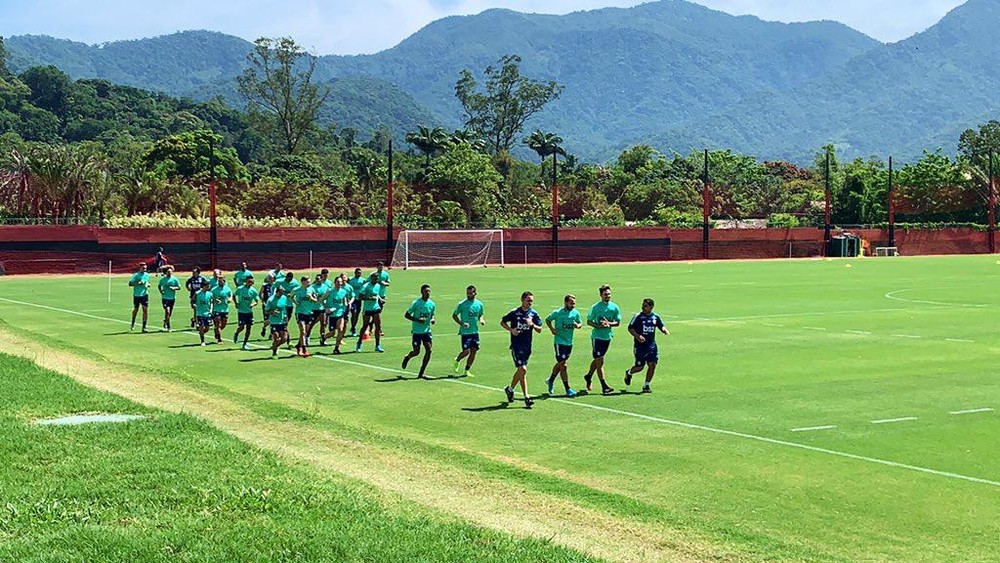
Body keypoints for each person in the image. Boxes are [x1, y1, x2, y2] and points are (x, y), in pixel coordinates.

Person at [500, 291, 543, 409]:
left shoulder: (533, 314)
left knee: (521, 371)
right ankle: (527, 397)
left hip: (527, 346)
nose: (530, 303)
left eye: (531, 301)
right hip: (516, 345)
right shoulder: (514, 312)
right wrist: (511, 330)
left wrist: (532, 325)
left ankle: (510, 389)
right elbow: (502, 321)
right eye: (528, 300)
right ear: (522, 300)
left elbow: (540, 329)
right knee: (523, 369)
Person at [625, 298, 670, 393]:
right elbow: (630, 328)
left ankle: (646, 385)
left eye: (645, 306)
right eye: (642, 305)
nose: (643, 307)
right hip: (640, 346)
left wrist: (664, 330)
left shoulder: (655, 317)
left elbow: (660, 325)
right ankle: (629, 372)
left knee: (652, 364)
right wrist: (638, 336)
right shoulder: (638, 316)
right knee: (640, 367)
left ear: (651, 307)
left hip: (651, 345)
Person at [583, 284, 621, 395]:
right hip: (597, 337)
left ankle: (588, 375)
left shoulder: (614, 307)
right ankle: (604, 386)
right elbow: (589, 321)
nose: (607, 296)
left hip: (607, 337)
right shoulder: (595, 307)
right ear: (601, 295)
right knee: (600, 362)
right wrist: (598, 326)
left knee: (599, 359)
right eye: (605, 294)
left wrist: (609, 323)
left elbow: (617, 322)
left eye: (609, 294)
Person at [545, 294, 582, 397]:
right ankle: (568, 389)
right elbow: (548, 320)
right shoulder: (558, 313)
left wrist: (577, 326)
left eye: (574, 303)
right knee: (563, 365)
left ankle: (551, 380)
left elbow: (580, 323)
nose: (573, 305)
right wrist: (552, 329)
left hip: (569, 342)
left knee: (561, 363)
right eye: (571, 303)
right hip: (559, 341)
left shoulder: (575, 313)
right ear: (566, 302)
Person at [402, 284, 436, 378]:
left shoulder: (432, 304)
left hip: (426, 331)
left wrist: (432, 319)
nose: (428, 293)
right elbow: (407, 315)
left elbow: (432, 314)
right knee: (416, 352)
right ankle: (407, 357)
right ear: (422, 292)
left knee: (429, 350)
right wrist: (417, 320)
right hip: (417, 332)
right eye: (426, 291)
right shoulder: (416, 303)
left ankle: (421, 372)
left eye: (429, 291)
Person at [451, 285, 485, 377]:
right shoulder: (462, 304)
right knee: (466, 351)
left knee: (474, 351)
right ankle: (457, 360)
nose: (469, 295)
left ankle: (467, 370)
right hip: (465, 332)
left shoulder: (479, 304)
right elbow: (454, 315)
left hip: (475, 332)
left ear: (475, 293)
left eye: (471, 293)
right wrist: (461, 324)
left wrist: (481, 319)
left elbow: (480, 314)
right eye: (467, 293)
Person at [355, 272, 384, 353]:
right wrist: (369, 298)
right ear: (371, 278)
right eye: (375, 278)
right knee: (365, 326)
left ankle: (377, 345)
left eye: (377, 278)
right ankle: (359, 342)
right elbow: (360, 296)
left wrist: (380, 299)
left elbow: (376, 294)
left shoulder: (378, 285)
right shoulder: (365, 286)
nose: (376, 279)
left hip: (376, 308)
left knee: (378, 326)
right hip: (367, 309)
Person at [321, 276, 350, 354]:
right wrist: (326, 308)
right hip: (332, 314)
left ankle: (336, 348)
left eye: (340, 282)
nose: (339, 283)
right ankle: (324, 337)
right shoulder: (330, 291)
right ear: (334, 282)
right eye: (338, 282)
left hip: (340, 314)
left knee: (340, 330)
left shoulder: (344, 291)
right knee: (332, 333)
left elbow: (344, 301)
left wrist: (346, 306)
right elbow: (321, 300)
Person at [293, 275, 319, 357]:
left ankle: (298, 345)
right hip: (300, 312)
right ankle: (304, 349)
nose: (309, 283)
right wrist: (295, 302)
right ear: (303, 282)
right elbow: (290, 296)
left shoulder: (312, 289)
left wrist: (311, 298)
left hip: (309, 313)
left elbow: (316, 300)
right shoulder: (297, 290)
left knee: (305, 332)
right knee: (303, 331)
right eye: (307, 282)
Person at [232, 276, 259, 350]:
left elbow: (257, 301)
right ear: (246, 281)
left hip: (249, 312)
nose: (250, 283)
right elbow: (234, 295)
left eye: (251, 282)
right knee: (241, 327)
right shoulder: (240, 289)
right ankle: (236, 333)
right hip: (241, 311)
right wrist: (236, 303)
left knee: (248, 329)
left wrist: (252, 304)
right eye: (249, 281)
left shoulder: (253, 291)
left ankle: (245, 344)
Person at [265, 286, 291, 357]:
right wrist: (272, 312)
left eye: (283, 292)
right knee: (276, 336)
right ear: (277, 292)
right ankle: (274, 352)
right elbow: (266, 311)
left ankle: (275, 346)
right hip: (274, 321)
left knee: (284, 338)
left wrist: (286, 316)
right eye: (280, 292)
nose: (282, 294)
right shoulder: (270, 300)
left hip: (282, 321)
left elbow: (284, 308)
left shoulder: (284, 298)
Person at [157, 266, 182, 331]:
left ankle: (165, 321)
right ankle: (168, 327)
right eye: (168, 272)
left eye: (170, 272)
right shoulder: (163, 279)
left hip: (172, 298)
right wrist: (161, 291)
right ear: (166, 272)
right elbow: (159, 286)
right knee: (167, 311)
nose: (169, 273)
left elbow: (179, 287)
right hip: (165, 298)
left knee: (169, 313)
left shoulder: (175, 279)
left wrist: (174, 288)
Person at [210, 276, 233, 343]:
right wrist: (214, 300)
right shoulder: (214, 289)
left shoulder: (227, 289)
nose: (220, 282)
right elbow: (210, 297)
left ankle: (216, 331)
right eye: (219, 281)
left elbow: (230, 295)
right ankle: (219, 339)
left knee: (223, 325)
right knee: (218, 324)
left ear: (224, 282)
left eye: (221, 281)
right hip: (216, 309)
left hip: (225, 309)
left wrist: (230, 299)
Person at [128, 262, 150, 332]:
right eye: (143, 268)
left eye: (145, 268)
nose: (145, 269)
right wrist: (138, 283)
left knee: (145, 310)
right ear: (140, 268)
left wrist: (147, 284)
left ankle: (144, 327)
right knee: (136, 310)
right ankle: (133, 323)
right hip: (137, 295)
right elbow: (130, 284)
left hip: (144, 294)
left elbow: (146, 282)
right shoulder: (136, 275)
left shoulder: (147, 275)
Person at [346, 268, 366, 337]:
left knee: (357, 314)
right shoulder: (350, 279)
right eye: (358, 272)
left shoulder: (363, 280)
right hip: (352, 299)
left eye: (360, 273)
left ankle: (353, 327)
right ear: (355, 273)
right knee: (354, 312)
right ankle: (353, 328)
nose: (359, 274)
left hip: (359, 299)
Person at [259, 273, 275, 338]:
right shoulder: (264, 285)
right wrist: (262, 301)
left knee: (273, 319)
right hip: (266, 304)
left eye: (271, 278)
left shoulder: (275, 286)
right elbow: (260, 293)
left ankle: (271, 333)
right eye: (269, 278)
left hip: (273, 304)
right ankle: (264, 328)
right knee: (267, 319)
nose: (270, 279)